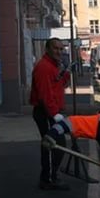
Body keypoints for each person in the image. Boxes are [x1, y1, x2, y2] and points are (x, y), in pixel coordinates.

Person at [30, 38, 71, 190]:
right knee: (53, 144)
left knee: (57, 144)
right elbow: (45, 94)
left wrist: (65, 73)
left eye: (61, 49)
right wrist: (54, 114)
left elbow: (60, 85)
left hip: (52, 112)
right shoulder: (44, 67)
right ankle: (48, 178)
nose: (59, 52)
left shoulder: (53, 66)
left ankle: (51, 176)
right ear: (47, 49)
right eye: (56, 48)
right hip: (46, 112)